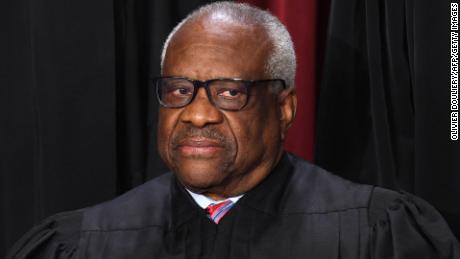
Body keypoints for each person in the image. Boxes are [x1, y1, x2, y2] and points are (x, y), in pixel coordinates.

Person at [7, 2, 460, 259]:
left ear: (284, 109)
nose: (196, 115)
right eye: (180, 89)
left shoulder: (377, 234)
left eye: (228, 93)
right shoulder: (83, 244)